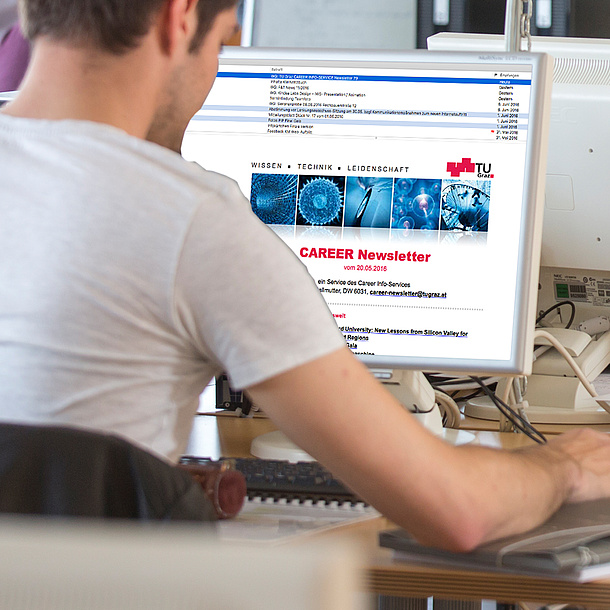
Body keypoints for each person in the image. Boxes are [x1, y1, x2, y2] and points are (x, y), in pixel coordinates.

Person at [2, 0, 610, 553]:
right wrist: (562, 466)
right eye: (224, 43)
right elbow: (456, 511)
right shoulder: (190, 219)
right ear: (179, 17)